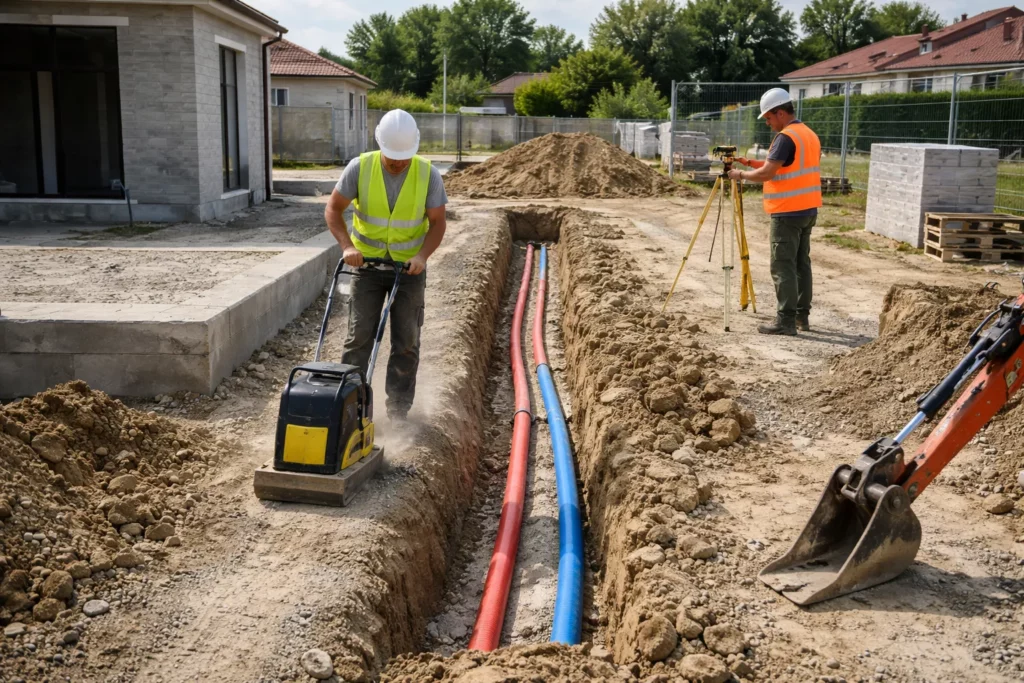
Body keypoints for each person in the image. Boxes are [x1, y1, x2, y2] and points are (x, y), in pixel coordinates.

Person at [324, 109, 448, 421]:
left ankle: (397, 412)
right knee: (358, 338)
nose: (398, 163)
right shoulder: (360, 168)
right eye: (393, 157)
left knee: (406, 341)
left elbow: (437, 223)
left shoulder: (427, 174)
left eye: (403, 158)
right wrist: (347, 247)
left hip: (408, 272)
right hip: (366, 268)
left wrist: (421, 256)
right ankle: (349, 408)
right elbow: (333, 209)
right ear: (380, 145)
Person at [728, 88, 822, 336]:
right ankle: (802, 317)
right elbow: (783, 166)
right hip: (807, 209)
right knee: (802, 265)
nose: (768, 124)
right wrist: (750, 163)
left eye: (769, 118)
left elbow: (768, 174)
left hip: (787, 212)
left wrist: (740, 175)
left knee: (783, 266)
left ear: (780, 113)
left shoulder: (785, 137)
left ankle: (785, 321)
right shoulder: (807, 134)